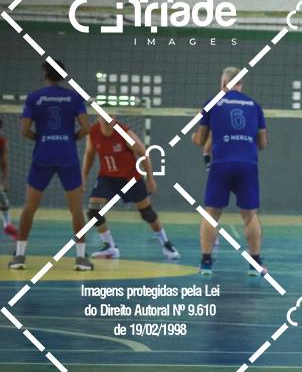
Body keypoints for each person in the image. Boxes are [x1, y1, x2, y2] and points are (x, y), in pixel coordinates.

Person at [9, 61, 91, 270]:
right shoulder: (74, 97)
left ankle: (19, 256)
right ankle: (81, 258)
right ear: (63, 75)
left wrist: (41, 139)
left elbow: (24, 130)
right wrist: (70, 139)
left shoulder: (34, 98)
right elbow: (86, 128)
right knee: (76, 208)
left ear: (45, 74)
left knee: (30, 206)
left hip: (43, 155)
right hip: (67, 155)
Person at [191, 67, 267, 276]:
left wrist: (195, 138)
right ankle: (255, 263)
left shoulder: (212, 103)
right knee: (250, 214)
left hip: (221, 164)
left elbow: (201, 140)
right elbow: (263, 144)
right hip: (247, 164)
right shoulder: (254, 105)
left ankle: (206, 263)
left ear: (223, 83)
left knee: (211, 213)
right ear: (241, 84)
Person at [81, 116, 180, 260]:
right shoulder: (93, 132)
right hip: (107, 178)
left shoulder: (124, 133)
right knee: (94, 211)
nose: (109, 119)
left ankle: (166, 244)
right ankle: (110, 247)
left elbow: (143, 153)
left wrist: (150, 178)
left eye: (111, 116)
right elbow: (89, 154)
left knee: (147, 214)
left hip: (129, 178)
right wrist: (83, 176)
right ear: (98, 118)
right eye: (104, 116)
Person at [0, 118, 18, 238]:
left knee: (4, 201)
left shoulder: (2, 142)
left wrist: (4, 181)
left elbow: (4, 164)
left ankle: (7, 226)